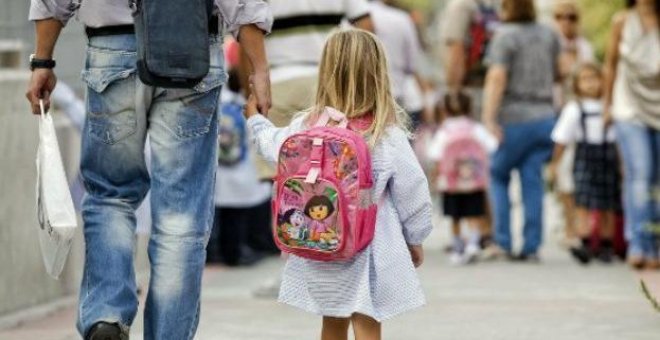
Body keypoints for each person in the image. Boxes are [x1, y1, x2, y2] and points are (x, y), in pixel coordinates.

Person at [25, 1, 273, 339]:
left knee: (111, 195)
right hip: (192, 53)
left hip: (112, 51)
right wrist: (258, 70)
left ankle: (107, 314)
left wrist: (42, 60)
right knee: (181, 215)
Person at [245, 29, 433, 340]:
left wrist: (256, 120)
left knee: (332, 321)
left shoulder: (307, 125)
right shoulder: (385, 135)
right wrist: (415, 237)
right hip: (369, 245)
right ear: (379, 76)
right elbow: (413, 191)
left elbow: (274, 147)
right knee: (367, 320)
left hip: (321, 241)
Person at [482, 0, 561, 261]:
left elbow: (497, 77)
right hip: (545, 116)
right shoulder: (549, 33)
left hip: (514, 116)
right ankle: (532, 245)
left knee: (498, 175)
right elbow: (560, 73)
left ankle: (503, 240)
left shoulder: (505, 36)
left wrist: (489, 118)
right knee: (532, 180)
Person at [603, 0, 660, 270]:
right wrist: (606, 106)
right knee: (640, 174)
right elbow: (610, 65)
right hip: (629, 108)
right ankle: (639, 243)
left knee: (658, 182)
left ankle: (656, 244)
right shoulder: (622, 21)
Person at [550, 63, 621, 265]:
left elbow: (619, 141)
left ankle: (607, 244)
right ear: (577, 85)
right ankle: (586, 241)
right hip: (585, 157)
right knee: (583, 203)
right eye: (585, 79)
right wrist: (555, 163)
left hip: (608, 156)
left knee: (608, 205)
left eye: (594, 78)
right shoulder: (573, 109)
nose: (590, 84)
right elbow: (562, 139)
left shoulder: (611, 107)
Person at [427, 92, 498, 265]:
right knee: (474, 214)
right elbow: (492, 145)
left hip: (451, 184)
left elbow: (434, 154)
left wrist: (436, 178)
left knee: (455, 217)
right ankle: (473, 244)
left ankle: (458, 248)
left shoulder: (444, 131)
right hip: (474, 182)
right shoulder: (475, 128)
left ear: (445, 110)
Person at [550, 0, 596, 248]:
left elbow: (587, 75)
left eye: (570, 17)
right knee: (561, 173)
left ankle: (578, 225)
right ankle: (568, 222)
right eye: (560, 17)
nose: (565, 22)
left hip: (581, 116)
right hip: (556, 112)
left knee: (577, 172)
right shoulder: (550, 44)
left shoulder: (584, 48)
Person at [369, 0, 433, 129]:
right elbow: (412, 64)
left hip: (363, 98)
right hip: (397, 96)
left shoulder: (348, 19)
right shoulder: (401, 19)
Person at [441, 0, 500, 116]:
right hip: (493, 90)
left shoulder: (461, 6)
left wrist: (452, 95)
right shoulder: (492, 5)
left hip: (469, 92)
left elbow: (456, 53)